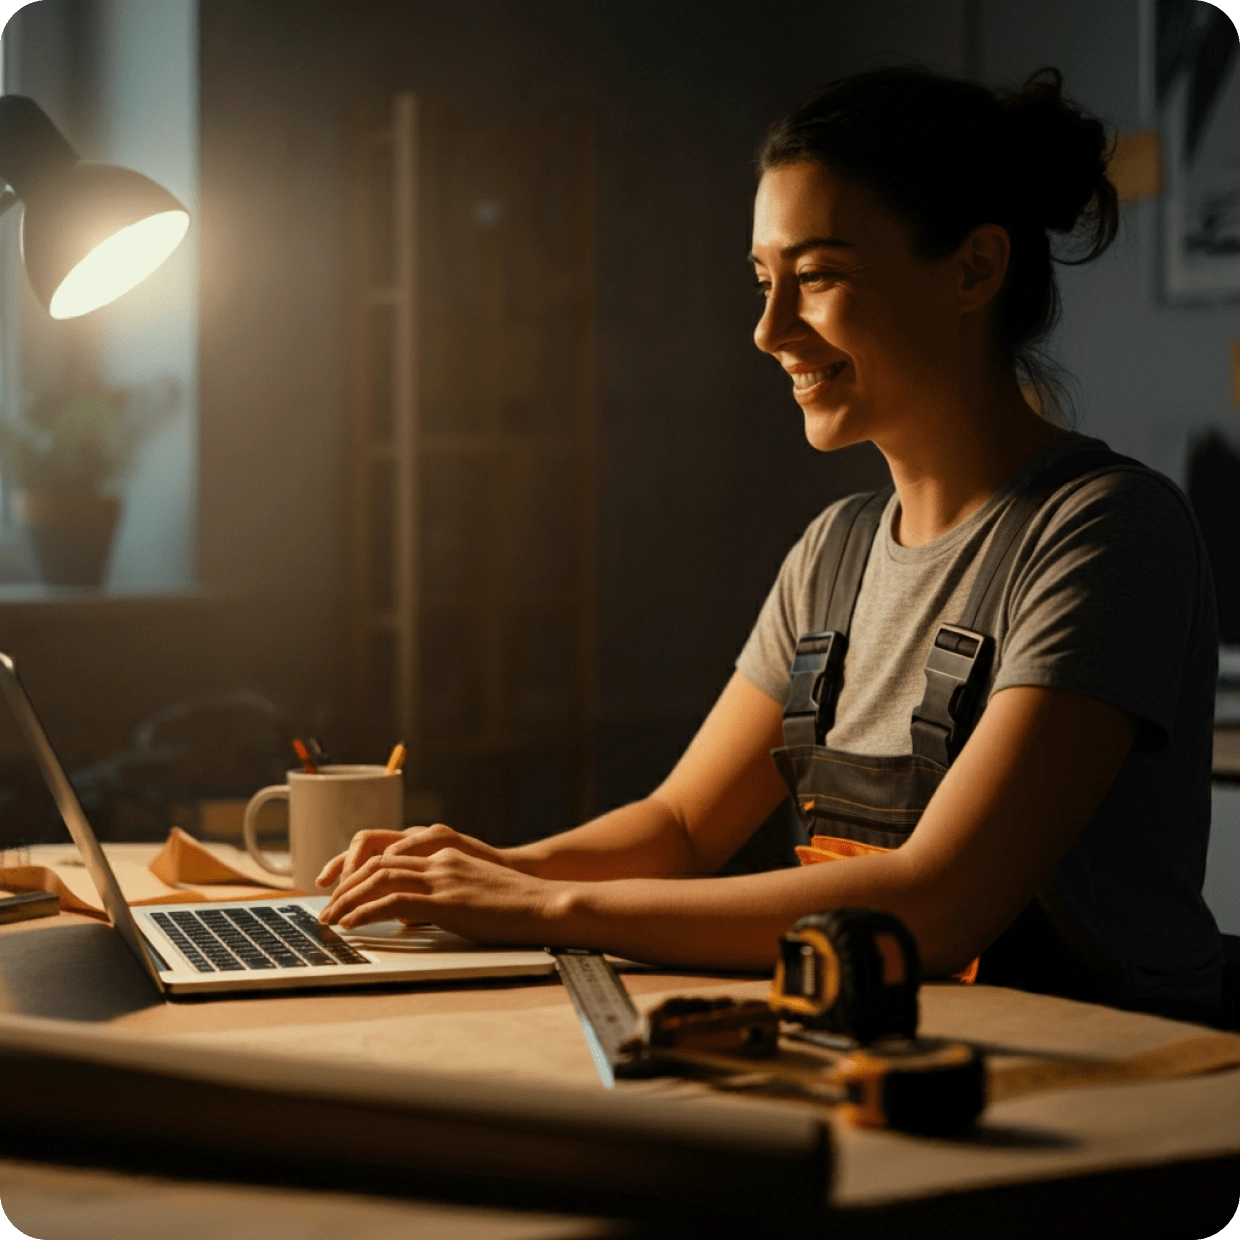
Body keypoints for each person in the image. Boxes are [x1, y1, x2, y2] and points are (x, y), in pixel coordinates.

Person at [319, 65, 1230, 1028]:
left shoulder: (1104, 532)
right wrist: (483, 869)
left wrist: (543, 908)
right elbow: (677, 827)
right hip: (887, 1052)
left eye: (820, 276)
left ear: (974, 268)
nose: (769, 329)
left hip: (1110, 1095)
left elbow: (935, 904)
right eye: (764, 280)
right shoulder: (833, 554)